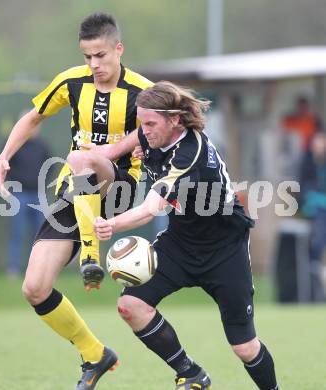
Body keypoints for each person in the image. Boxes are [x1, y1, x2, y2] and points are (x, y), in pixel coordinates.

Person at [0, 13, 152, 389]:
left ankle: (89, 257)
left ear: (118, 49)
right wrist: (5, 154)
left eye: (100, 55)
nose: (94, 64)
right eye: (87, 57)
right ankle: (95, 354)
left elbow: (165, 127)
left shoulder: (143, 91)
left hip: (121, 185)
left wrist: (130, 150)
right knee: (34, 288)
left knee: (83, 158)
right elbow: (33, 117)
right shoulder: (71, 82)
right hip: (74, 191)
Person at [94, 81, 279, 389]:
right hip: (180, 242)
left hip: (225, 249)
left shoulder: (190, 154)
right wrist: (98, 154)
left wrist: (110, 225)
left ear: (175, 120)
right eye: (142, 123)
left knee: (244, 347)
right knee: (131, 306)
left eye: (151, 123)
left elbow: (151, 208)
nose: (145, 130)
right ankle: (190, 373)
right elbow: (118, 149)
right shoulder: (152, 133)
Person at [6, 122, 50, 277]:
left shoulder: (42, 146)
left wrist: (43, 182)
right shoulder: (14, 146)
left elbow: (51, 165)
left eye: (35, 125)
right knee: (17, 232)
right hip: (20, 195)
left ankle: (36, 270)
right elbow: (5, 166)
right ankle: (13, 268)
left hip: (38, 195)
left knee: (40, 234)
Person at [300, 130, 326, 302]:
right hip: (315, 212)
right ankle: (315, 278)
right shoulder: (306, 163)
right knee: (316, 243)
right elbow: (302, 190)